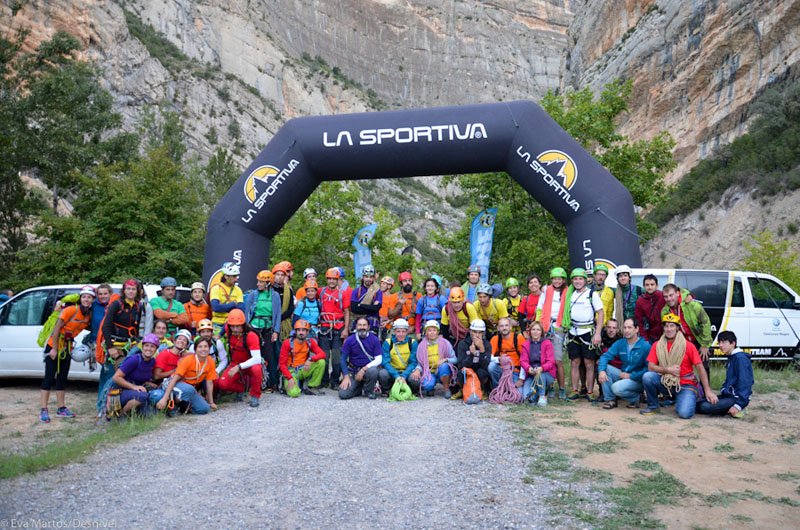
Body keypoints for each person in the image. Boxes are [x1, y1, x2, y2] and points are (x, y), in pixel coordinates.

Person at [641, 313, 717, 418]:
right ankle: (653, 406)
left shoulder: (688, 346)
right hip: (666, 382)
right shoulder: (657, 345)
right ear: (663, 328)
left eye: (672, 326)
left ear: (677, 328)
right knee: (648, 376)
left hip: (686, 385)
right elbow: (651, 367)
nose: (669, 329)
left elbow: (700, 368)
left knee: (685, 413)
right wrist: (668, 370)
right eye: (666, 326)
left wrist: (707, 390)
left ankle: (684, 400)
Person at [39, 285, 95, 422]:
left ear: (92, 300)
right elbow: (56, 330)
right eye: (84, 297)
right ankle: (43, 409)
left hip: (67, 347)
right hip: (54, 345)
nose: (86, 299)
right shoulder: (71, 310)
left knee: (62, 378)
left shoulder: (88, 315)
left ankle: (61, 408)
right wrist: (54, 349)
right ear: (80, 298)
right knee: (49, 377)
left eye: (89, 297)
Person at [96, 279, 144, 418]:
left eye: (133, 289)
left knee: (123, 378)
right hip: (115, 346)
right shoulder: (116, 304)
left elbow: (136, 327)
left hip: (129, 346)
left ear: (137, 291)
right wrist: (110, 347)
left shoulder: (138, 306)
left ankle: (116, 408)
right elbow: (106, 326)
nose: (131, 292)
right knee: (110, 378)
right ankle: (102, 408)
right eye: (128, 289)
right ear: (124, 291)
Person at [562, 268, 604, 401]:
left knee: (589, 363)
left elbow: (600, 313)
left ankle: (590, 391)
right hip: (573, 331)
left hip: (587, 332)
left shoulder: (592, 294)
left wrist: (598, 333)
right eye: (575, 279)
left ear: (585, 280)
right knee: (575, 362)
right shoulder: (570, 294)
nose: (578, 281)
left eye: (580, 279)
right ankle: (575, 390)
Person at [696, 331, 753, 418]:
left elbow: (745, 382)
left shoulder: (740, 358)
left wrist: (738, 405)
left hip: (735, 398)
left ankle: (739, 409)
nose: (721, 345)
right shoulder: (732, 357)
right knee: (700, 403)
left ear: (733, 343)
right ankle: (728, 409)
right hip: (728, 396)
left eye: (724, 342)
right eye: (719, 343)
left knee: (703, 406)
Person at [155, 337, 218, 415]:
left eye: (206, 346)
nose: (203, 349)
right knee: (189, 389)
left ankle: (185, 408)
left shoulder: (210, 361)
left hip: (190, 389)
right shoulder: (188, 360)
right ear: (195, 349)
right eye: (200, 347)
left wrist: (211, 402)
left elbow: (209, 382)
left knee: (204, 409)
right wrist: (164, 399)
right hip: (175, 384)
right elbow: (174, 379)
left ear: (209, 348)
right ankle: (173, 407)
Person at [597, 318, 650, 409]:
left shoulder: (645, 346)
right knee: (605, 368)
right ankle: (610, 400)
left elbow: (648, 368)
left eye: (629, 327)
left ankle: (637, 398)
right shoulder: (620, 343)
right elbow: (605, 357)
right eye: (625, 328)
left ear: (636, 329)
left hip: (638, 380)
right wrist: (601, 371)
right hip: (623, 375)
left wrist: (631, 376)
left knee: (616, 388)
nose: (626, 330)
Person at [661, 282, 713, 375]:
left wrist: (705, 345)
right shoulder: (665, 311)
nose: (669, 299)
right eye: (666, 296)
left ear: (677, 293)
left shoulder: (693, 305)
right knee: (680, 367)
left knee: (703, 366)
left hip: (698, 340)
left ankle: (705, 385)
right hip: (681, 342)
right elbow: (667, 330)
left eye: (671, 295)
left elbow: (706, 323)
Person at [216, 309, 263, 407]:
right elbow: (225, 326)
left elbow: (257, 359)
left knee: (257, 369)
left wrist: (239, 367)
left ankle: (255, 395)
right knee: (223, 384)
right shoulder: (228, 329)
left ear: (243, 325)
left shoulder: (251, 336)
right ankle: (243, 388)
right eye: (233, 326)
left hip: (250, 364)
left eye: (238, 326)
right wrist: (219, 335)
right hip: (235, 363)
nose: (235, 329)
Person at [244, 270, 281, 392]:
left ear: (268, 283)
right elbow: (247, 313)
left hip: (268, 328)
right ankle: (252, 382)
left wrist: (276, 331)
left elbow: (277, 314)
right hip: (254, 328)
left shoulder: (275, 296)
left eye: (261, 282)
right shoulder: (253, 295)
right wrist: (246, 329)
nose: (258, 284)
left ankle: (269, 383)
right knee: (253, 354)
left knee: (269, 356)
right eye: (258, 281)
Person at [536, 267, 569, 399]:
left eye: (559, 279)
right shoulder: (546, 290)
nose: (557, 281)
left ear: (563, 280)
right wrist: (538, 325)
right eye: (555, 279)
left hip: (559, 327)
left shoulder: (568, 291)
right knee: (546, 359)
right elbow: (540, 308)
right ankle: (549, 386)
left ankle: (561, 388)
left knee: (557, 360)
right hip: (545, 326)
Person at [111, 333, 158, 418]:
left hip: (133, 392)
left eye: (152, 346)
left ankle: (132, 413)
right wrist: (134, 387)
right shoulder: (134, 359)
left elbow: (140, 375)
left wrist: (147, 382)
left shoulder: (152, 361)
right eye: (146, 345)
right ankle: (121, 414)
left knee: (150, 415)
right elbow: (116, 377)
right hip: (118, 392)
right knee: (143, 396)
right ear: (142, 347)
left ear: (156, 349)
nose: (149, 349)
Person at [318, 268, 351, 389]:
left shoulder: (343, 294)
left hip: (338, 327)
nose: (331, 281)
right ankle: (324, 380)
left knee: (337, 357)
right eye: (329, 279)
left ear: (338, 280)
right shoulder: (321, 292)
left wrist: (346, 329)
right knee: (324, 356)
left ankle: (335, 381)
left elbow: (346, 312)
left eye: (334, 279)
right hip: (324, 328)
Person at [279, 319, 326, 397]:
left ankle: (311, 386)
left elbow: (323, 354)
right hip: (291, 371)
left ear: (307, 332)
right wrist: (289, 378)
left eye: (304, 330)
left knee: (321, 362)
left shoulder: (310, 342)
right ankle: (289, 385)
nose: (301, 332)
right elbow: (282, 364)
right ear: (295, 331)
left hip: (304, 369)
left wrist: (311, 359)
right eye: (299, 330)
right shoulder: (287, 343)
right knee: (294, 393)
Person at [339, 317, 382, 399]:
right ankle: (358, 388)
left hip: (367, 371)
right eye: (359, 325)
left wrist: (363, 370)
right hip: (353, 371)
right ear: (356, 326)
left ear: (368, 327)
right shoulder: (350, 340)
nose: (362, 327)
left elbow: (379, 359)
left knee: (373, 371)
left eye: (364, 325)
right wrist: (346, 376)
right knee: (343, 394)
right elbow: (343, 359)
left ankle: (368, 391)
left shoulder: (374, 339)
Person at [411, 320, 457, 398]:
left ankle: (446, 389)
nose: (432, 332)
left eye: (434, 330)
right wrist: (418, 369)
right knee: (427, 386)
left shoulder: (445, 343)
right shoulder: (421, 346)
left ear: (438, 332)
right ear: (426, 332)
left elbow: (455, 359)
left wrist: (445, 360)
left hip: (441, 370)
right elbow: (420, 363)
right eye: (429, 330)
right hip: (429, 372)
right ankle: (431, 387)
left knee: (444, 366)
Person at [517, 321, 556, 406]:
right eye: (533, 329)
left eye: (538, 330)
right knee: (527, 397)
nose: (535, 332)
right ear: (530, 331)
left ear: (541, 332)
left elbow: (551, 361)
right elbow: (523, 361)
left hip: (546, 373)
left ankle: (542, 396)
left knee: (540, 374)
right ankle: (540, 392)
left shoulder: (547, 343)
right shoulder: (526, 344)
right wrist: (528, 368)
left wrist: (541, 368)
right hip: (532, 373)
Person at [378, 318, 419, 394]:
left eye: (403, 331)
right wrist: (396, 375)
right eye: (398, 331)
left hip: (407, 371)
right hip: (392, 371)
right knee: (383, 374)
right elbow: (385, 362)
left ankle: (412, 391)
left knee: (414, 378)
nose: (401, 334)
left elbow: (413, 362)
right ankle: (387, 390)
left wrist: (404, 375)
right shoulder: (388, 343)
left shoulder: (412, 343)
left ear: (407, 332)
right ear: (394, 331)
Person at [454, 319, 492, 399]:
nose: (477, 335)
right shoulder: (463, 344)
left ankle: (482, 389)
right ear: (470, 331)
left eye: (480, 332)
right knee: (461, 373)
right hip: (467, 371)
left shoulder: (487, 344)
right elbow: (461, 365)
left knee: (482, 372)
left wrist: (482, 350)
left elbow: (486, 365)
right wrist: (471, 355)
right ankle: (462, 389)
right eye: (475, 332)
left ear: (483, 333)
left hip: (480, 371)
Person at [209, 262, 245, 336]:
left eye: (237, 276)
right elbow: (216, 307)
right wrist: (233, 304)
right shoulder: (216, 288)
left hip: (233, 324)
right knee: (218, 342)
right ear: (226, 276)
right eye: (234, 276)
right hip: (217, 324)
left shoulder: (238, 289)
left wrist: (223, 307)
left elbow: (241, 309)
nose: (236, 279)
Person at [488, 317, 525, 388]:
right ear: (498, 328)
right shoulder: (495, 339)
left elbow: (525, 359)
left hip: (515, 371)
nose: (504, 328)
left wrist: (521, 379)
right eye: (502, 326)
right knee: (491, 366)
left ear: (510, 327)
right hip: (501, 370)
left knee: (518, 393)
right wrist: (498, 359)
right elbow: (489, 357)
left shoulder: (519, 338)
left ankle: (506, 388)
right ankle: (497, 388)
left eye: (506, 325)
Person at [349, 265, 383, 334]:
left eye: (371, 277)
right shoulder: (356, 291)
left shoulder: (377, 291)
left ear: (374, 278)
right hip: (358, 324)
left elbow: (376, 308)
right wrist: (370, 307)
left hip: (372, 324)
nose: (368, 279)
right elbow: (354, 308)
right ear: (363, 277)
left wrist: (360, 305)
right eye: (366, 277)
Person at [635, 274, 666, 343]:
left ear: (657, 285)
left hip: (665, 333)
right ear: (644, 286)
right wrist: (645, 339)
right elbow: (639, 321)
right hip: (650, 336)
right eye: (647, 285)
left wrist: (688, 295)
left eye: (652, 284)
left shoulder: (663, 296)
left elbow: (676, 292)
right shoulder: (640, 301)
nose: (650, 287)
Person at [387, 272, 420, 336]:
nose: (408, 283)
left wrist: (414, 328)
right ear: (401, 284)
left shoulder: (418, 296)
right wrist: (399, 305)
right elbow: (390, 315)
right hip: (397, 330)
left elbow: (421, 316)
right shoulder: (394, 297)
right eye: (405, 281)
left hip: (413, 330)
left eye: (409, 281)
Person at [272, 262, 296, 341]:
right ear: (273, 275)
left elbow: (290, 308)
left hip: (283, 323)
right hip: (269, 323)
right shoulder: (269, 289)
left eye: (282, 275)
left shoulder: (288, 291)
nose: (280, 277)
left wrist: (279, 318)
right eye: (278, 274)